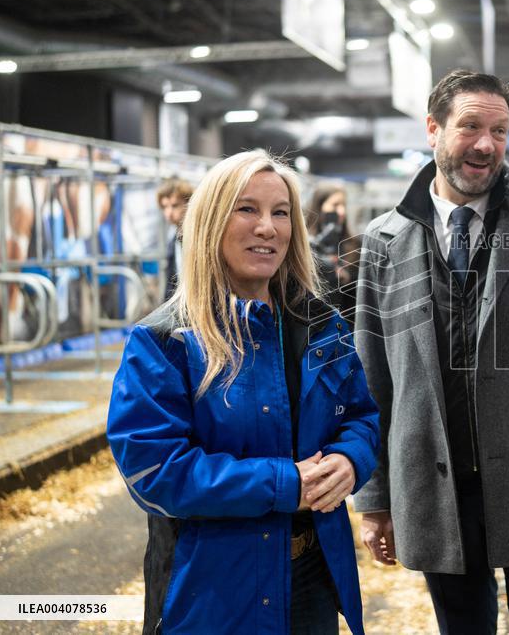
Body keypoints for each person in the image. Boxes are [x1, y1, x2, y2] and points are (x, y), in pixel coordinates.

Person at [353, 69, 509, 634]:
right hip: (435, 481)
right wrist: (375, 496)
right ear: (433, 129)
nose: (485, 144)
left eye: (499, 130)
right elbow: (372, 379)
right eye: (469, 126)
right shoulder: (383, 240)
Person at [107, 150, 380, 635]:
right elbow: (154, 471)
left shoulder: (322, 326)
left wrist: (350, 460)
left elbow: (360, 416)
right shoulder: (165, 341)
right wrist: (283, 484)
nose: (268, 228)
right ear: (212, 221)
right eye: (247, 209)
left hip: (313, 579)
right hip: (214, 588)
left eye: (280, 213)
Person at [306, 183, 359, 324]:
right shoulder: (306, 246)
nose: (341, 211)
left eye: (343, 206)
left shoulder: (354, 246)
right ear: (319, 207)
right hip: (314, 323)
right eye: (335, 205)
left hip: (347, 324)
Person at [155, 177, 194, 300]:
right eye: (165, 207)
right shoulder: (175, 237)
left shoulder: (197, 236)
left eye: (174, 205)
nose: (169, 213)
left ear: (188, 203)